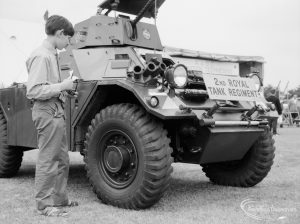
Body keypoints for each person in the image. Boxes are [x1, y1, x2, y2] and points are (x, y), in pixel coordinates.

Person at [26, 14, 78, 217]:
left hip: (55, 111)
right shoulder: (42, 56)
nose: (69, 43)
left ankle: (59, 199)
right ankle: (44, 205)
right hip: (47, 112)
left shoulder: (52, 54)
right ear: (60, 33)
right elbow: (34, 91)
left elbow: (49, 87)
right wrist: (63, 86)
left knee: (62, 159)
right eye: (68, 38)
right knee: (48, 160)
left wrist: (65, 90)